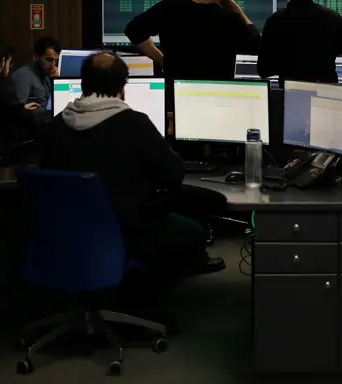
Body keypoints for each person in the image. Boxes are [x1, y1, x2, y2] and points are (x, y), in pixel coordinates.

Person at [37, 53, 225, 323]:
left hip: (61, 231)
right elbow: (173, 174)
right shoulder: (134, 123)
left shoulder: (55, 126)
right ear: (122, 87)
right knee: (192, 234)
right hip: (125, 230)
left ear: (82, 83)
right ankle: (141, 304)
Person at [124, 0, 260, 81]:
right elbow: (257, 45)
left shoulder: (170, 6)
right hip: (216, 93)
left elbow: (133, 29)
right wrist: (237, 9)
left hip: (175, 91)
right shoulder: (230, 20)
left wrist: (161, 59)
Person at [11, 36, 61, 106]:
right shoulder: (23, 75)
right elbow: (17, 108)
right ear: (35, 56)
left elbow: (57, 101)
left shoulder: (47, 74)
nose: (53, 65)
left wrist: (56, 81)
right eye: (49, 60)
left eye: (55, 60)